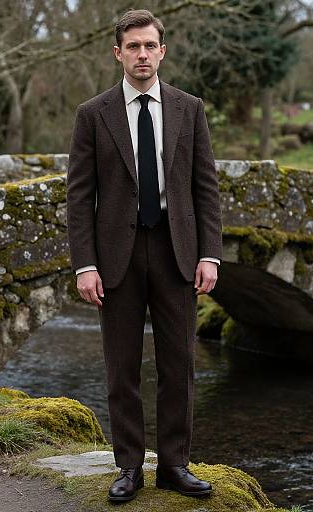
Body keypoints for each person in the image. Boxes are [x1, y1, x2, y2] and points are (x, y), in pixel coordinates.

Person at [66, 8, 223, 502]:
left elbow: (205, 188)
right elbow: (79, 196)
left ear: (163, 50)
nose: (141, 54)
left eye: (149, 45)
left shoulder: (188, 108)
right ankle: (128, 467)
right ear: (118, 52)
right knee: (122, 366)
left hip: (178, 250)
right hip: (117, 255)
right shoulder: (93, 114)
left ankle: (175, 465)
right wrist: (85, 264)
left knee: (179, 365)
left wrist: (210, 255)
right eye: (132, 46)